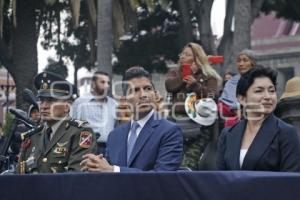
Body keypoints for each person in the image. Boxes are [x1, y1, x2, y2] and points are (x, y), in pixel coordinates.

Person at [80, 67, 183, 172]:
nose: (143, 95)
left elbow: (162, 177)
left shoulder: (170, 131)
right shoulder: (114, 136)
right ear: (124, 99)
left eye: (148, 88)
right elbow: (107, 174)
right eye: (135, 90)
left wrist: (114, 170)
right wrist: (95, 166)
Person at [217, 66, 300, 172]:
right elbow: (221, 179)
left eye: (271, 91)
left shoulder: (286, 133)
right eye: (259, 91)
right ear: (242, 99)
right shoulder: (227, 134)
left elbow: (291, 181)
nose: (268, 96)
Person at [17, 71, 97, 174]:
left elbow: (76, 177)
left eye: (51, 101)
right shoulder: (32, 136)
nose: (44, 106)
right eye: (41, 100)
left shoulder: (80, 132)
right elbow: (20, 175)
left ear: (67, 106)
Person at [165, 42, 221, 170]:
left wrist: (196, 85)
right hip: (177, 121)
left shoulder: (209, 76)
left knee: (190, 161)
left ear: (197, 58)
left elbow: (213, 96)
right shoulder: (175, 73)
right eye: (182, 54)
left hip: (200, 124)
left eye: (187, 54)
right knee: (174, 160)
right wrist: (185, 75)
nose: (182, 57)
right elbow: (169, 86)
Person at [72, 71, 117, 155]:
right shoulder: (80, 102)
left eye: (108, 83)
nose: (107, 86)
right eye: (103, 82)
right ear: (93, 84)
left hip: (110, 150)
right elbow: (72, 126)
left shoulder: (114, 104)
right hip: (86, 149)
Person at [218, 49, 257, 128]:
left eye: (245, 60)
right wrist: (235, 108)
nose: (241, 64)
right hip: (235, 123)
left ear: (252, 63)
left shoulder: (259, 80)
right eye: (238, 61)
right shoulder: (231, 83)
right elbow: (223, 103)